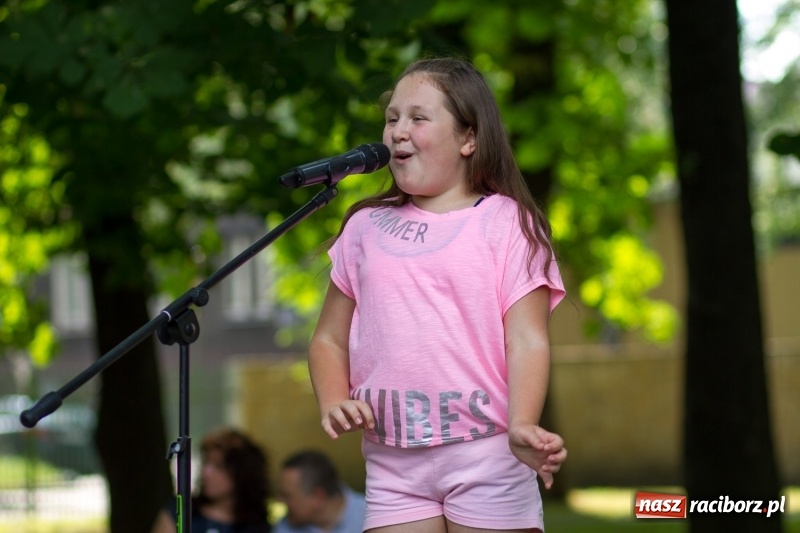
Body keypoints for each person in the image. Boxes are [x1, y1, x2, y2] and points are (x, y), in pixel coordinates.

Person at [308, 57, 569, 533]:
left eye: (418, 118)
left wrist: (522, 423)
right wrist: (332, 399)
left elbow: (527, 339)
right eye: (391, 118)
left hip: (487, 451)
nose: (398, 131)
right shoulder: (365, 226)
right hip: (392, 463)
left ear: (469, 138)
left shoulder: (508, 223)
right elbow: (328, 338)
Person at [151, 427, 271, 533]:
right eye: (206, 462)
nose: (206, 472)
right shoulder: (180, 511)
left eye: (218, 466)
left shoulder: (257, 525)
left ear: (242, 472)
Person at [274, 450, 366, 533]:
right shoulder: (284, 526)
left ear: (318, 497)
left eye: (287, 496)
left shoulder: (373, 516)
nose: (280, 500)